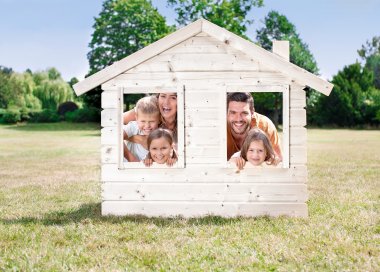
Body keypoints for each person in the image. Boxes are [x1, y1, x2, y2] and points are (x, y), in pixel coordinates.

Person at [226, 92, 282, 161]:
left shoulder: (265, 126)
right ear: (226, 113)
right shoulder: (218, 127)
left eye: (244, 113)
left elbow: (278, 160)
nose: (238, 119)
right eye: (233, 113)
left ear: (252, 112)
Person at [123, 95, 160, 162]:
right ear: (136, 118)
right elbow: (116, 135)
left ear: (159, 119)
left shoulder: (161, 133)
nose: (147, 125)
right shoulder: (133, 127)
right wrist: (131, 159)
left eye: (152, 121)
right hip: (127, 167)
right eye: (143, 121)